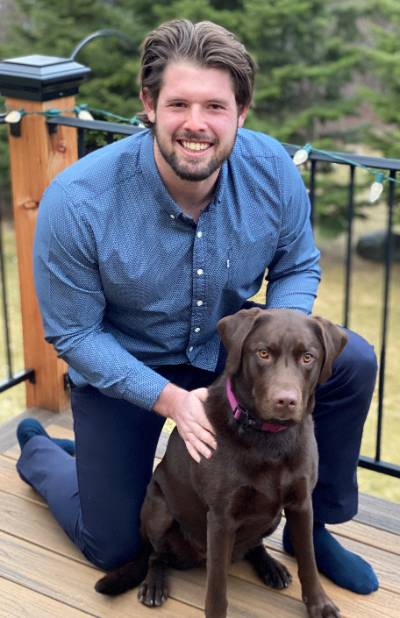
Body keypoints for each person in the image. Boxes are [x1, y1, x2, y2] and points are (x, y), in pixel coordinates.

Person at [17, 19, 378, 595]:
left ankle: (319, 523)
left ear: (242, 111)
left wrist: (271, 338)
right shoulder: (79, 200)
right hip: (126, 366)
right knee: (111, 543)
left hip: (230, 354)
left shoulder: (274, 171)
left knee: (353, 360)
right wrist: (169, 401)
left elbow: (298, 264)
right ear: (148, 105)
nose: (196, 124)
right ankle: (44, 453)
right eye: (178, 103)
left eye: (215, 106)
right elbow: (74, 333)